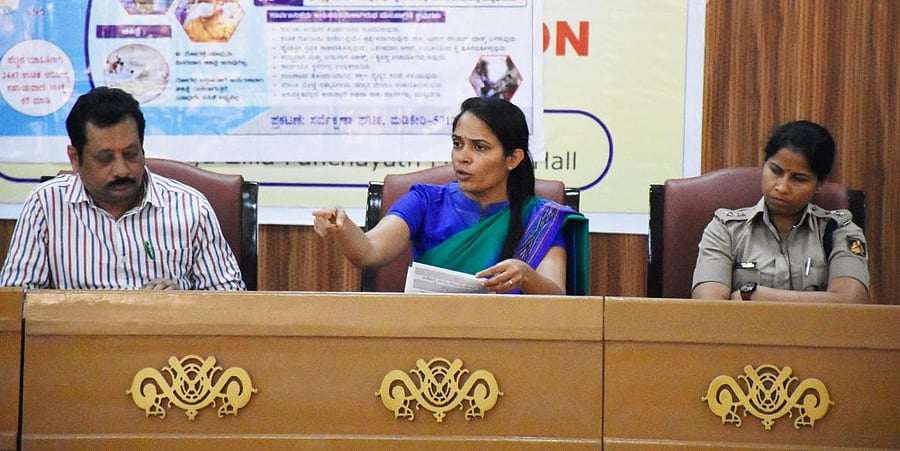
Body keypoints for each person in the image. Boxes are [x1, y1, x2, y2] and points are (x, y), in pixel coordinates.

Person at [313, 97, 589, 295]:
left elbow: (557, 298)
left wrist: (526, 276)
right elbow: (369, 252)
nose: (462, 158)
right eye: (458, 144)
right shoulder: (425, 201)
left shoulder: (542, 219)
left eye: (479, 147)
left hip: (510, 344)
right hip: (429, 344)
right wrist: (343, 226)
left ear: (512, 158)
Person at [0, 86, 245, 290]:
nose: (121, 170)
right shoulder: (46, 205)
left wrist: (185, 302)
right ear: (75, 158)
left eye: (131, 154)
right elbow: (17, 304)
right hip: (80, 344)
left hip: (167, 345)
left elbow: (230, 300)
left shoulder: (190, 207)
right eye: (105, 158)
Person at [691, 120, 869, 303]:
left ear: (820, 183)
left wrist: (753, 295)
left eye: (799, 179)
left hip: (816, 332)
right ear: (764, 164)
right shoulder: (726, 229)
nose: (782, 187)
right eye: (775, 171)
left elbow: (851, 303)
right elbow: (708, 306)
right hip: (743, 331)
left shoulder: (839, 231)